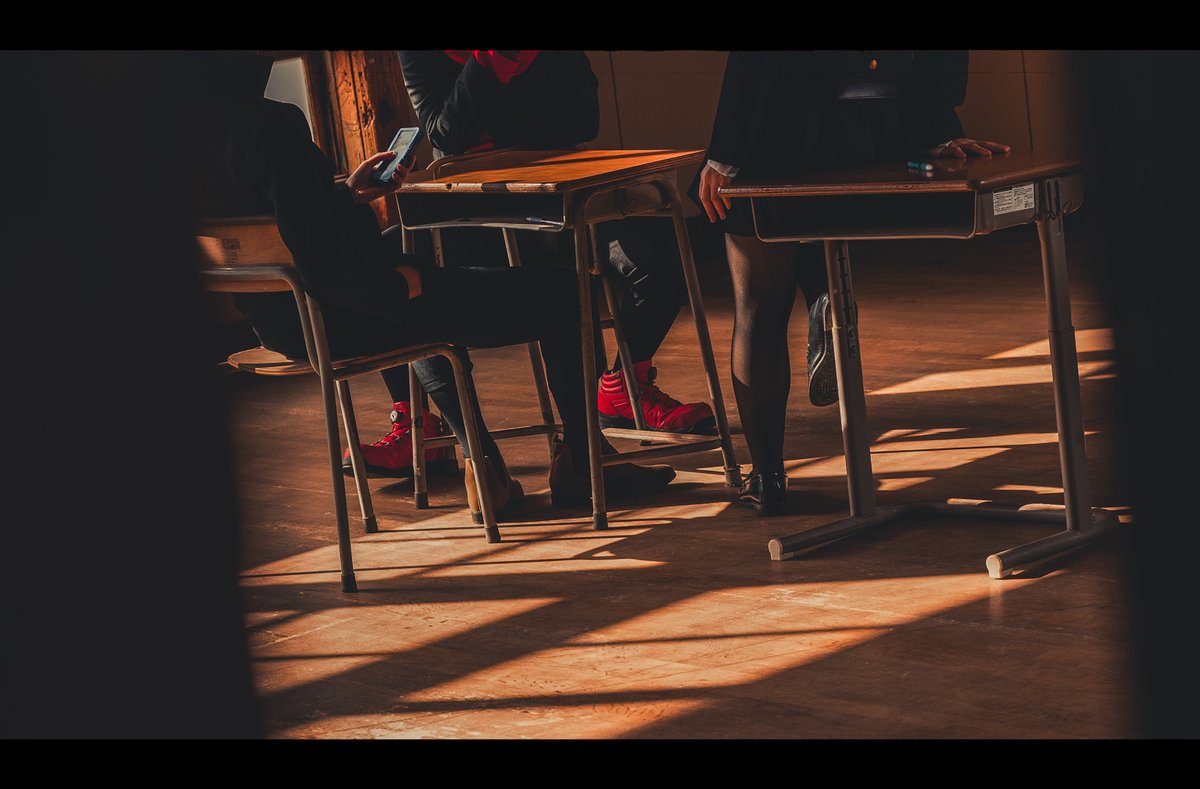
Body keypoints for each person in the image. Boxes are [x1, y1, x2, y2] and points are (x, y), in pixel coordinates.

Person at [187, 52, 675, 516]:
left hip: (280, 323)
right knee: (565, 292)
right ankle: (580, 463)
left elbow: (284, 221)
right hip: (340, 312)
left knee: (418, 271)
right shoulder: (275, 124)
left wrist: (346, 193)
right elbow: (326, 263)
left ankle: (484, 467)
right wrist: (398, 287)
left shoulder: (185, 133)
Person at [695, 51, 1010, 515]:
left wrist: (727, 152)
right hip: (871, 140)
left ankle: (766, 480)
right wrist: (938, 128)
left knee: (759, 304)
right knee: (826, 234)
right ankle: (824, 296)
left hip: (780, 137)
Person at [390, 48, 715, 447]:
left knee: (661, 252)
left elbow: (584, 118)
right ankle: (460, 444)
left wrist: (488, 135)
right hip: (480, 214)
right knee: (399, 264)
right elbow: (447, 133)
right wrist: (496, 59)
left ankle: (625, 385)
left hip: (565, 195)